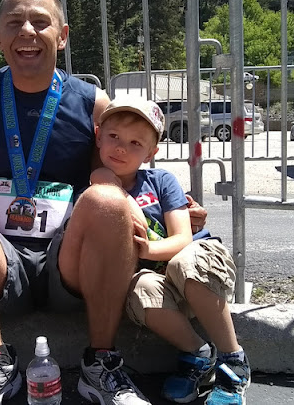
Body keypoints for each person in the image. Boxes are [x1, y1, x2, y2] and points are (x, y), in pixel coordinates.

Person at [0, 0, 203, 405]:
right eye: (14, 22)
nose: (26, 31)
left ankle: (101, 365)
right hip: (1, 260)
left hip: (70, 263)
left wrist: (168, 208)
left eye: (40, 22)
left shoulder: (93, 102)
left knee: (106, 199)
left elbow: (117, 172)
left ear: (62, 36)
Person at [91, 97, 250, 405]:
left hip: (197, 270)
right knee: (139, 288)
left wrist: (149, 248)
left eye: (135, 143)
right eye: (114, 137)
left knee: (184, 262)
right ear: (98, 136)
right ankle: (197, 354)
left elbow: (182, 238)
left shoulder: (161, 181)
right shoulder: (96, 191)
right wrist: (105, 180)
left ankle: (234, 361)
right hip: (160, 284)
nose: (121, 148)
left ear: (152, 152)